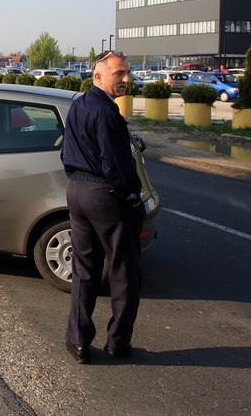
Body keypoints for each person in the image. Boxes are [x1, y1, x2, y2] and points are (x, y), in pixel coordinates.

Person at [60, 50, 143, 364]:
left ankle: (78, 341)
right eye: (118, 73)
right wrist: (131, 195)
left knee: (85, 268)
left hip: (77, 192)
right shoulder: (107, 113)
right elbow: (117, 164)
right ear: (98, 76)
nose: (125, 79)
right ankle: (118, 343)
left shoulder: (78, 104)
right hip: (105, 196)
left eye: (127, 73)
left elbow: (66, 149)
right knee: (124, 271)